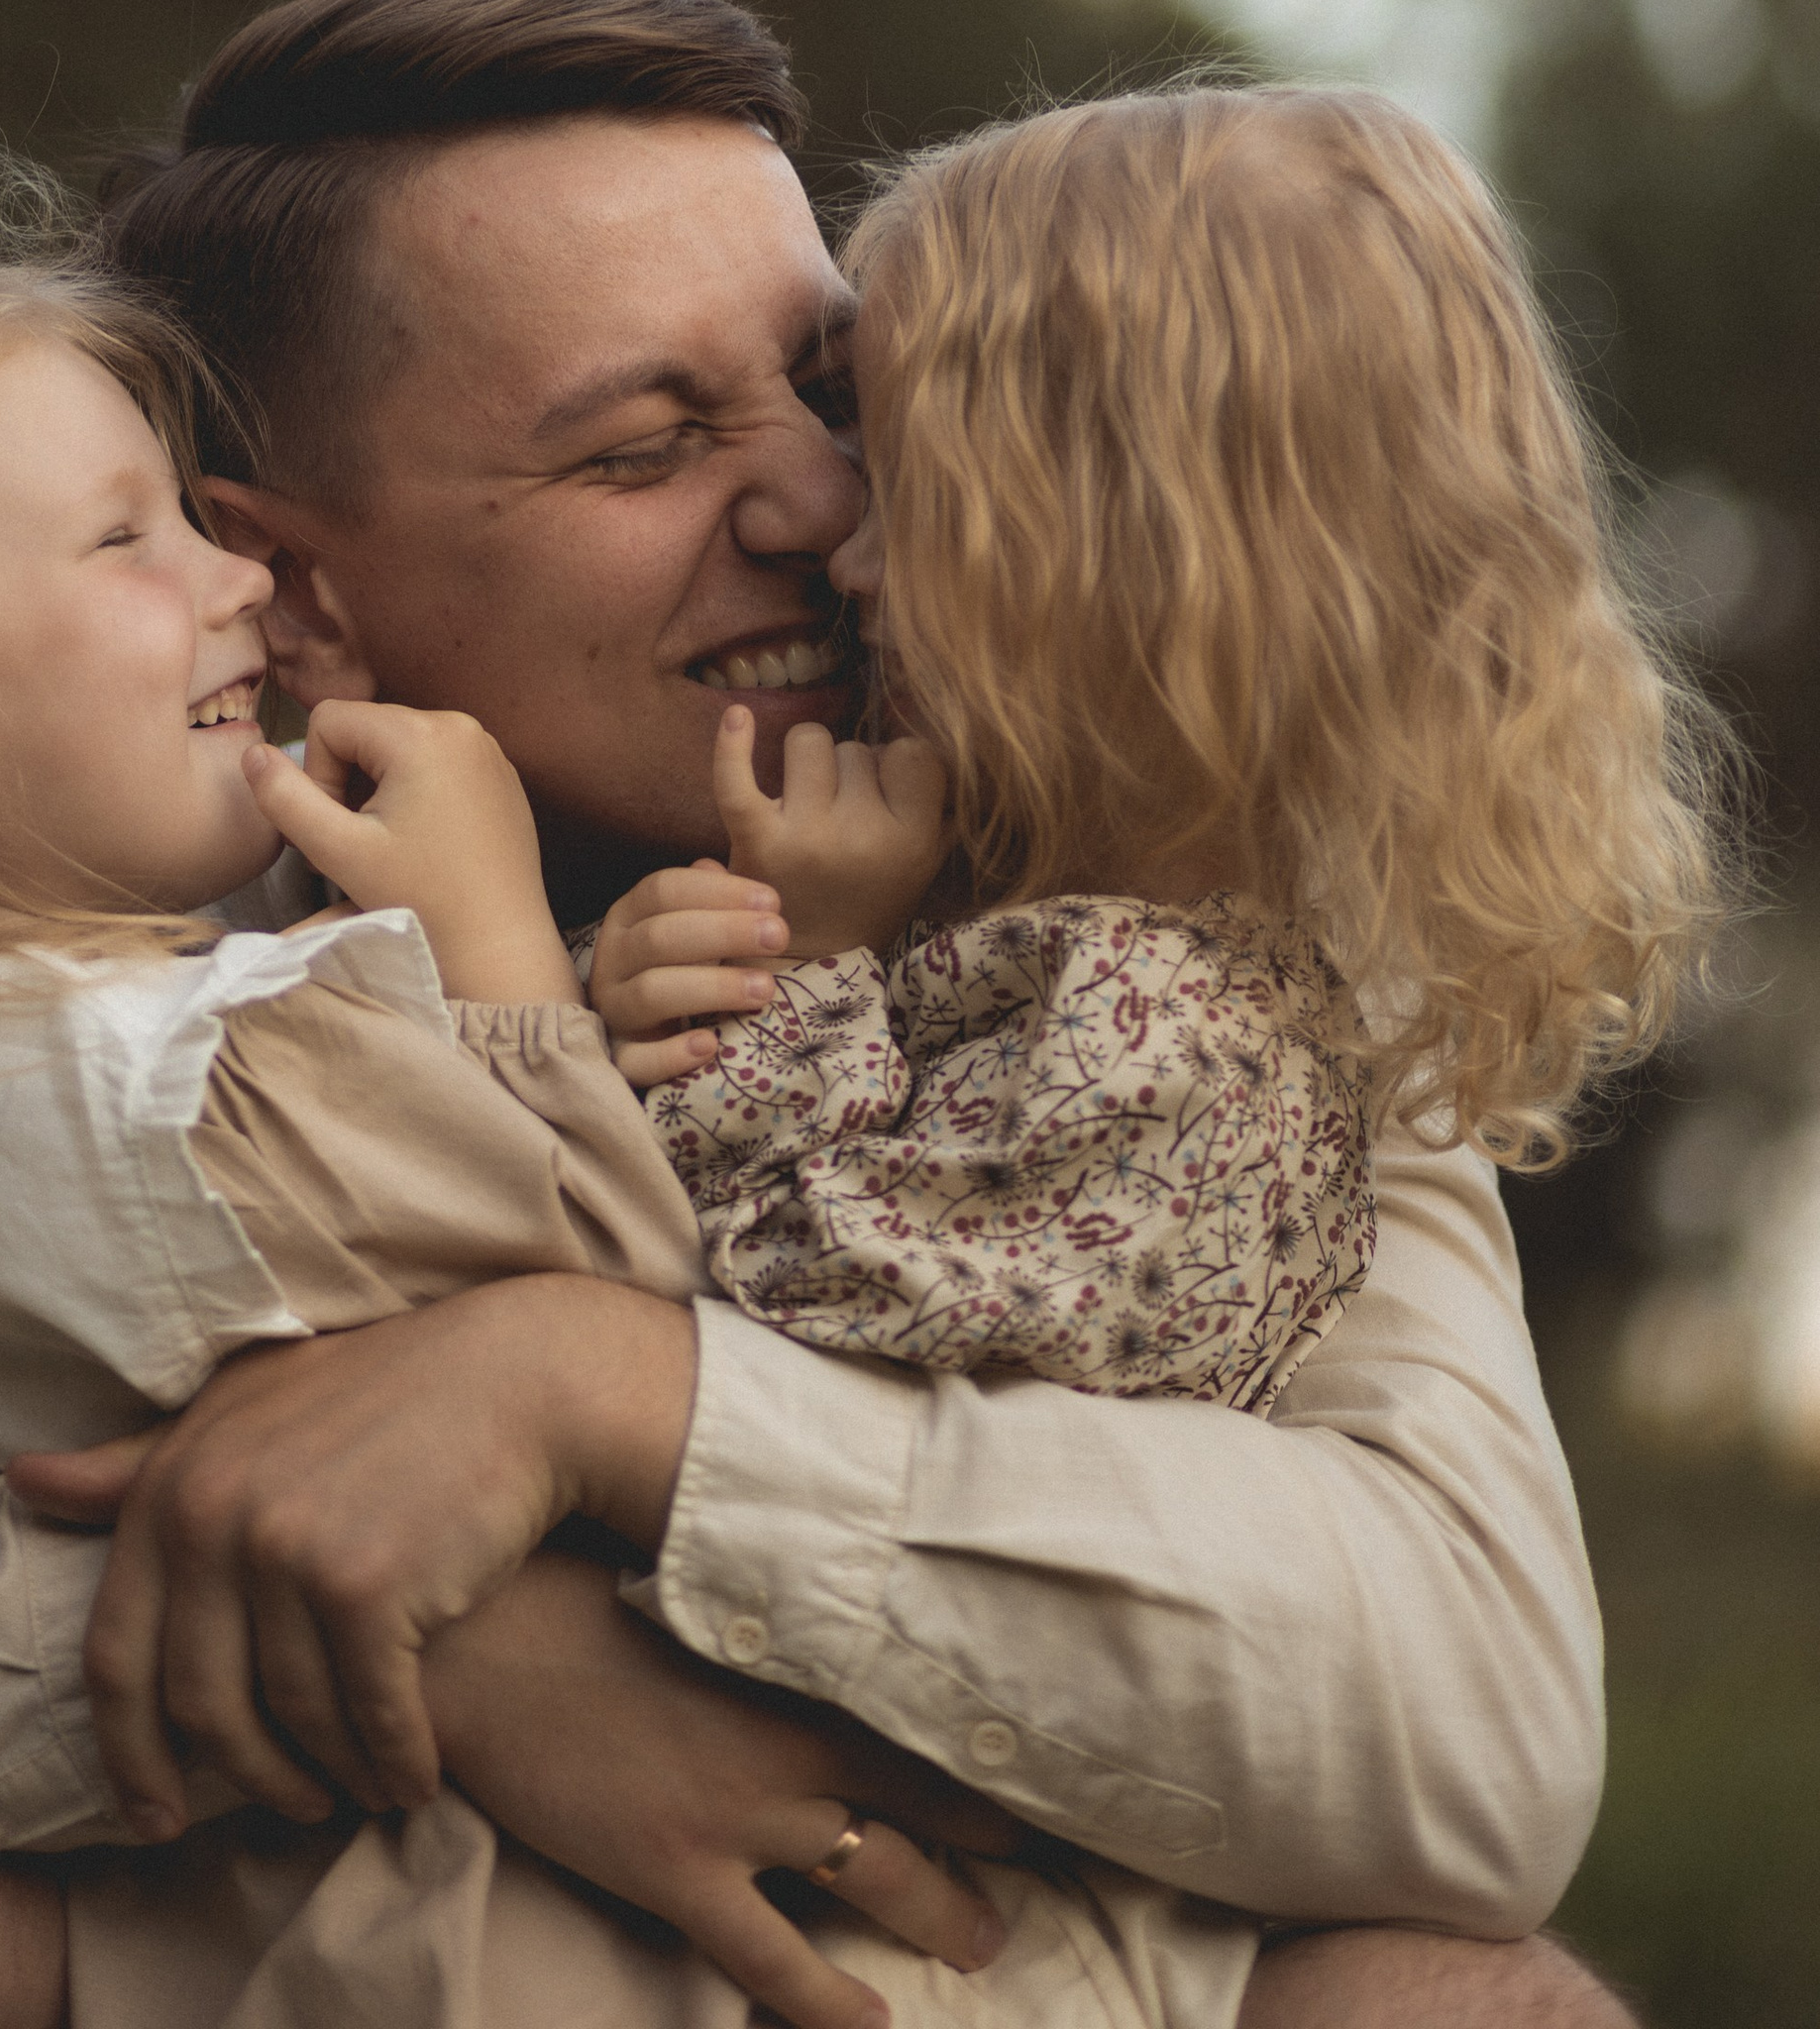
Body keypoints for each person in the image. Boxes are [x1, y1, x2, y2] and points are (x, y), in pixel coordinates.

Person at [0, 0, 1645, 2024]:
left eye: (832, 394)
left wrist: (595, 1396)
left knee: (1477, 1999)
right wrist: (458, 1664)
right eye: (643, 447)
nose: (809, 512)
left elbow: (1474, 1748)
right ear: (280, 576)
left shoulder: (1138, 938)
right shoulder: (108, 961)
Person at [590, 87, 1721, 1421]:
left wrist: (806, 973)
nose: (848, 557)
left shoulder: (1165, 1048)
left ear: (1125, 572)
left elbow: (781, 1330)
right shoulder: (1082, 944)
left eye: (912, 495)